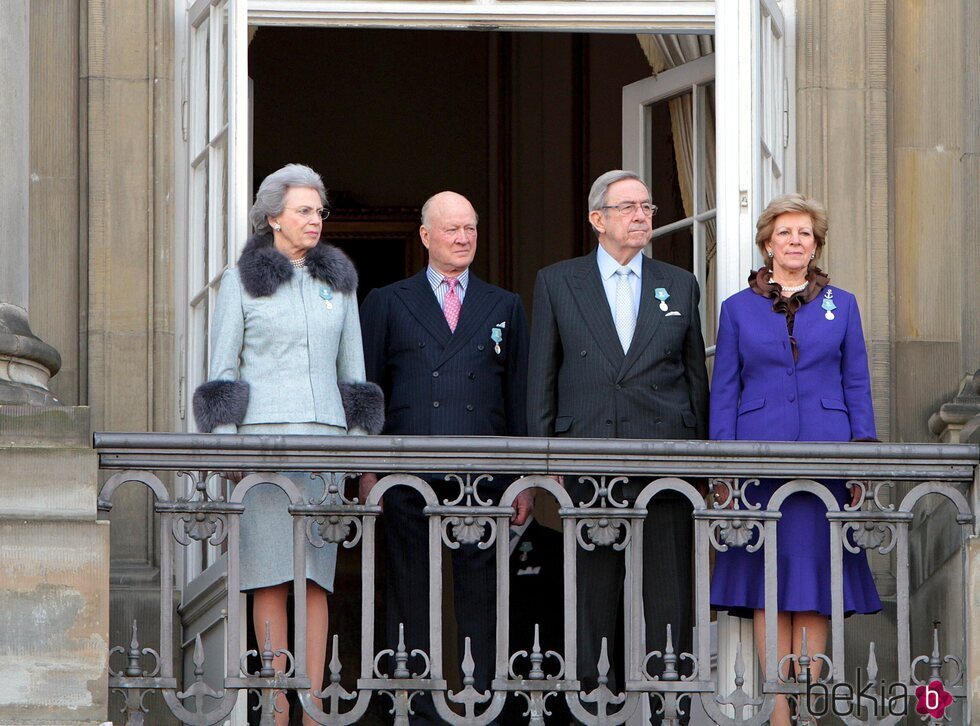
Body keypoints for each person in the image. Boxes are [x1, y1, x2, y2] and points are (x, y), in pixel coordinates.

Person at [192, 164, 384, 726]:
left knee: (316, 580)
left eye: (319, 211)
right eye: (303, 210)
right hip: (265, 450)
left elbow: (355, 377)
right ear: (272, 217)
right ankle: (277, 708)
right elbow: (222, 372)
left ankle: (314, 706)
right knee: (269, 577)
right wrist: (229, 451)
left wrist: (356, 453)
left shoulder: (339, 282)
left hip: (324, 450)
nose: (314, 220)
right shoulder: (242, 280)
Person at [526, 170, 709, 715]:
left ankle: (667, 706)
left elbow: (694, 377)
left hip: (666, 458)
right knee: (591, 593)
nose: (641, 216)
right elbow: (543, 376)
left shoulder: (679, 284)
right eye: (628, 206)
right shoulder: (558, 281)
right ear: (597, 219)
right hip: (588, 454)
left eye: (647, 207)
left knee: (670, 594)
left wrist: (703, 463)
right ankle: (590, 706)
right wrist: (544, 461)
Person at [358, 191, 533, 723]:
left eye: (471, 229)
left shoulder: (503, 304)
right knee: (410, 585)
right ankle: (413, 704)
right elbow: (368, 391)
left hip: (484, 472)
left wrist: (523, 476)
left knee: (482, 591)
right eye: (452, 229)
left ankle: (484, 700)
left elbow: (518, 396)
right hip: (408, 470)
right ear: (426, 236)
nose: (462, 238)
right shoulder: (388, 301)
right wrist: (367, 470)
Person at [708, 193, 882, 726]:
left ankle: (806, 706)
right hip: (758, 463)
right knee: (768, 586)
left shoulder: (843, 304)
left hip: (826, 461)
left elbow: (857, 383)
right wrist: (723, 469)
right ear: (767, 243)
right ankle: (779, 712)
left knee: (814, 586)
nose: (795, 241)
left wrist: (862, 461)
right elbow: (725, 390)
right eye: (785, 233)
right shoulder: (737, 309)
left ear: (816, 244)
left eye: (804, 233)